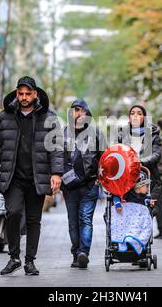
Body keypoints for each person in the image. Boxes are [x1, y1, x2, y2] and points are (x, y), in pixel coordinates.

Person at [0, 76, 64, 276]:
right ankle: (14, 258)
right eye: (21, 93)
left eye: (28, 93)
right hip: (13, 177)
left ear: (35, 94)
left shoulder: (49, 118)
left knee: (34, 220)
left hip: (37, 177)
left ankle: (29, 261)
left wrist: (56, 173)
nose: (24, 97)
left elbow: (56, 149)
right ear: (16, 93)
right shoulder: (4, 117)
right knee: (13, 213)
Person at [62, 99, 105, 269]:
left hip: (89, 184)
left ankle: (83, 253)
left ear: (87, 114)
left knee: (85, 219)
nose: (78, 114)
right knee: (73, 222)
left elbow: (105, 159)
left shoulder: (96, 134)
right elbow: (57, 158)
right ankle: (75, 254)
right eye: (75, 110)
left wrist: (98, 179)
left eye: (82, 111)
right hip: (69, 186)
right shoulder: (63, 134)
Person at [117, 105, 161, 213]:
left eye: (139, 113)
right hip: (126, 180)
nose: (135, 116)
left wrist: (139, 162)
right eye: (132, 113)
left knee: (144, 214)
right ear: (129, 117)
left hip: (146, 180)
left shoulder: (153, 135)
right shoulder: (122, 135)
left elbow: (156, 154)